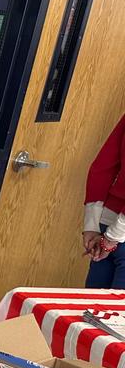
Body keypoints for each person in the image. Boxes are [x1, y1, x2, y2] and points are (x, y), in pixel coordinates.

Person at [83, 112, 125, 288]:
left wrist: (91, 225)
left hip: (107, 223)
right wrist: (112, 238)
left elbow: (102, 167)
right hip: (113, 233)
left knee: (92, 309)